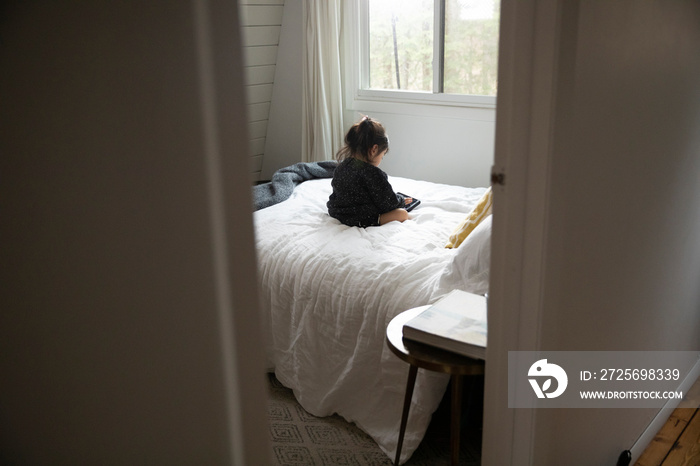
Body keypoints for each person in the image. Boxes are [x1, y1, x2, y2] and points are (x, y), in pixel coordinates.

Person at [327, 116, 413, 227]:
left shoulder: (341, 167)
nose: (381, 160)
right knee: (402, 214)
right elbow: (388, 203)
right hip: (361, 218)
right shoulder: (373, 174)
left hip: (339, 213)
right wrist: (400, 200)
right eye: (382, 156)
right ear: (374, 150)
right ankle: (375, 221)